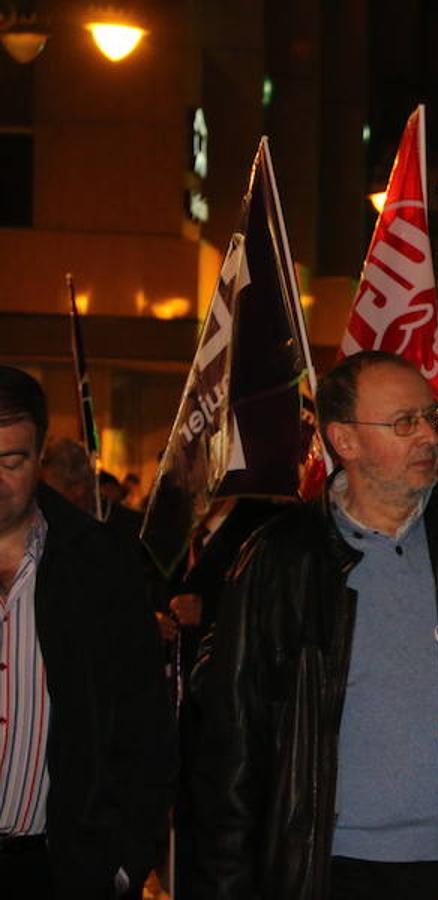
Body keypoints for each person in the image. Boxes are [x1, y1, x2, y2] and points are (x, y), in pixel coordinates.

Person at [192, 351, 438, 899]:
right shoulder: (282, 557)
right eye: (403, 423)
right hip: (321, 865)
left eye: (431, 419)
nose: (427, 438)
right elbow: (232, 738)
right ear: (344, 441)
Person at [0, 365, 174, 897]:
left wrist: (121, 859)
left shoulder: (98, 564)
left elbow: (144, 719)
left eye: (12, 460)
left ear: (41, 458)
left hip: (59, 867)